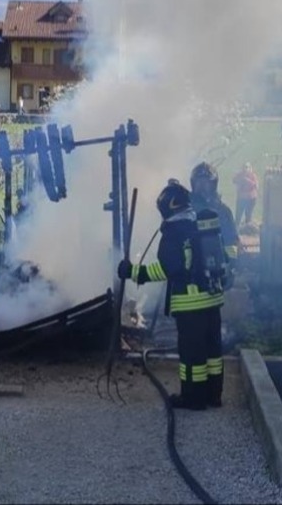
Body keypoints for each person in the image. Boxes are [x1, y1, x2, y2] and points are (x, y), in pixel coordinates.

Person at [118, 180, 226, 410]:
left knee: (191, 355)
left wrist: (133, 272)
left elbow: (166, 269)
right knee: (212, 351)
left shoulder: (173, 233)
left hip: (190, 304)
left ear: (167, 207)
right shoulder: (199, 223)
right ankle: (213, 395)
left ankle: (192, 398)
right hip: (213, 298)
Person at [232, 162, 259, 226]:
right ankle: (236, 230)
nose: (245, 169)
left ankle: (247, 230)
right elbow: (234, 180)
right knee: (238, 215)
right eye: (244, 167)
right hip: (241, 198)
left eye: (247, 167)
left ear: (250, 169)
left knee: (248, 215)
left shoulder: (253, 176)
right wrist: (240, 179)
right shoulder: (240, 175)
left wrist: (247, 180)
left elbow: (256, 186)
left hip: (251, 198)